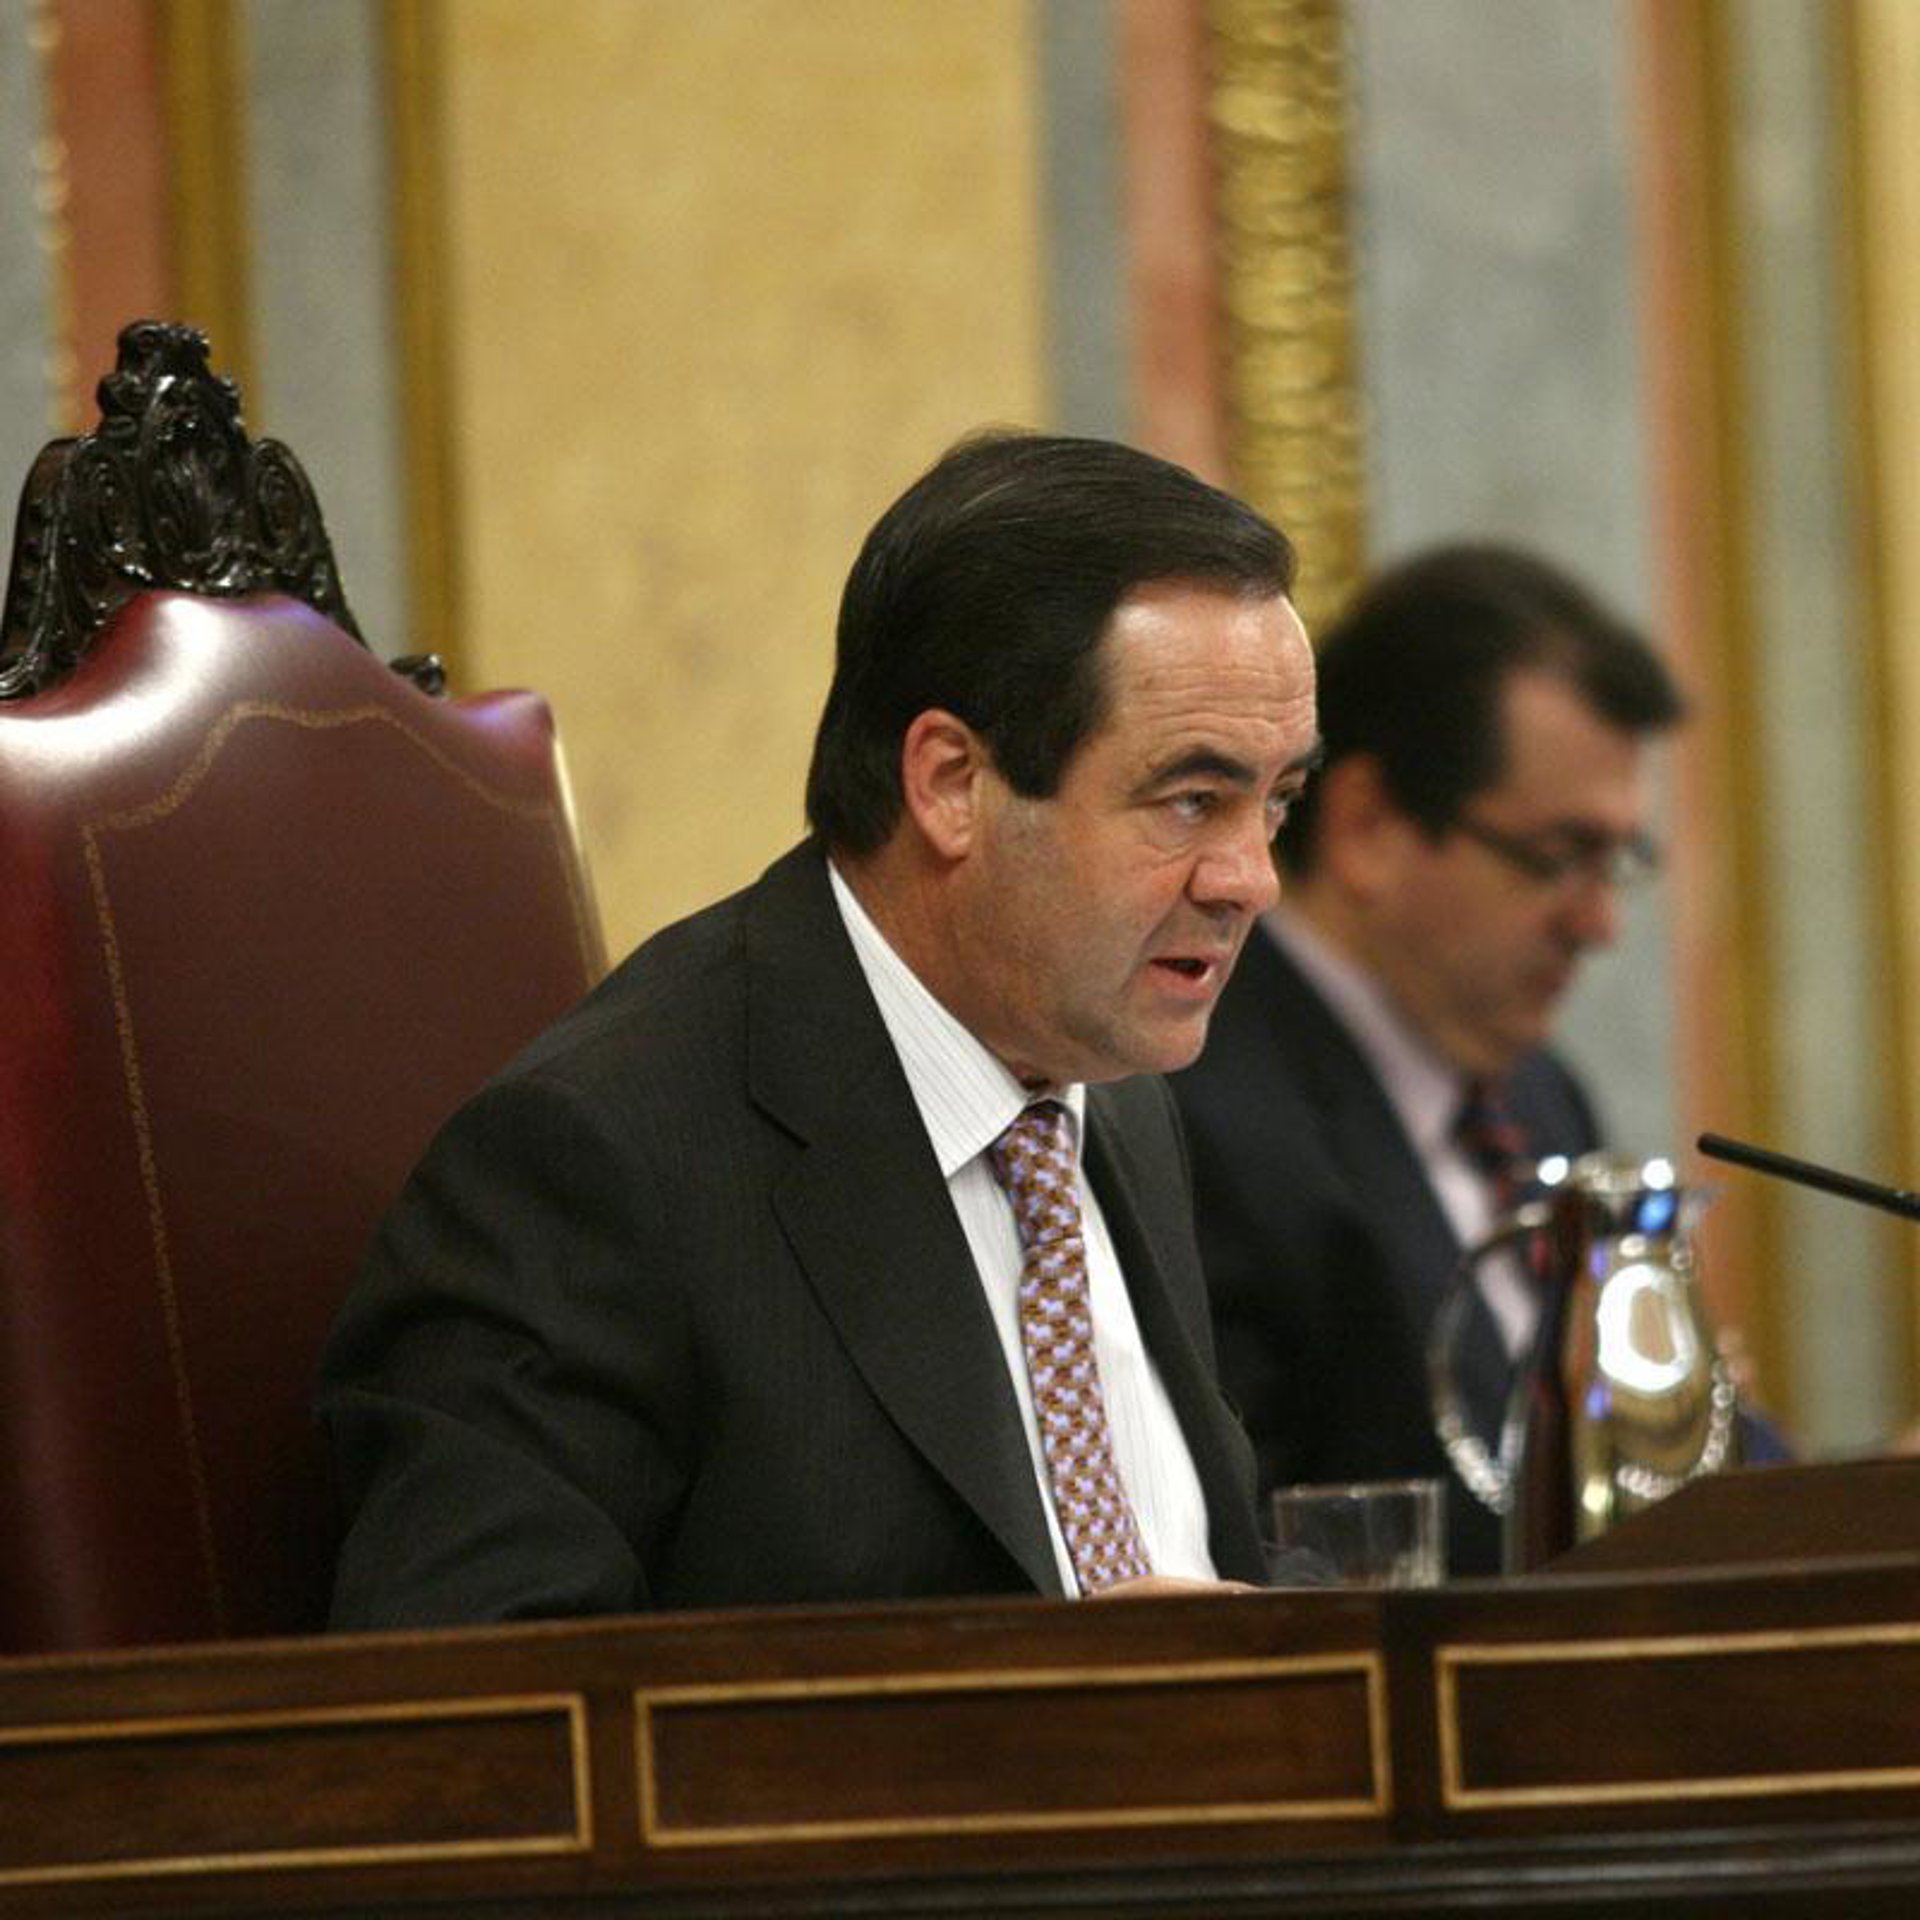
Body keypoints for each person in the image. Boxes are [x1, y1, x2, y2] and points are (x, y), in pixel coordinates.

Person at [319, 429, 1323, 1627]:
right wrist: (1035, 1704)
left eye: (1277, 803)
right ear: (950, 783)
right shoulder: (598, 1164)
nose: (1252, 880)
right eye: (1193, 801)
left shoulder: (1111, 1095)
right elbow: (479, 1694)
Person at [1169, 543, 1686, 1576]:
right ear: (1367, 826)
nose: (1599, 924)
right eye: (1558, 858)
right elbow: (1235, 1547)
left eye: (1617, 862)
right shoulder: (1198, 1111)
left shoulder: (1541, 1094)